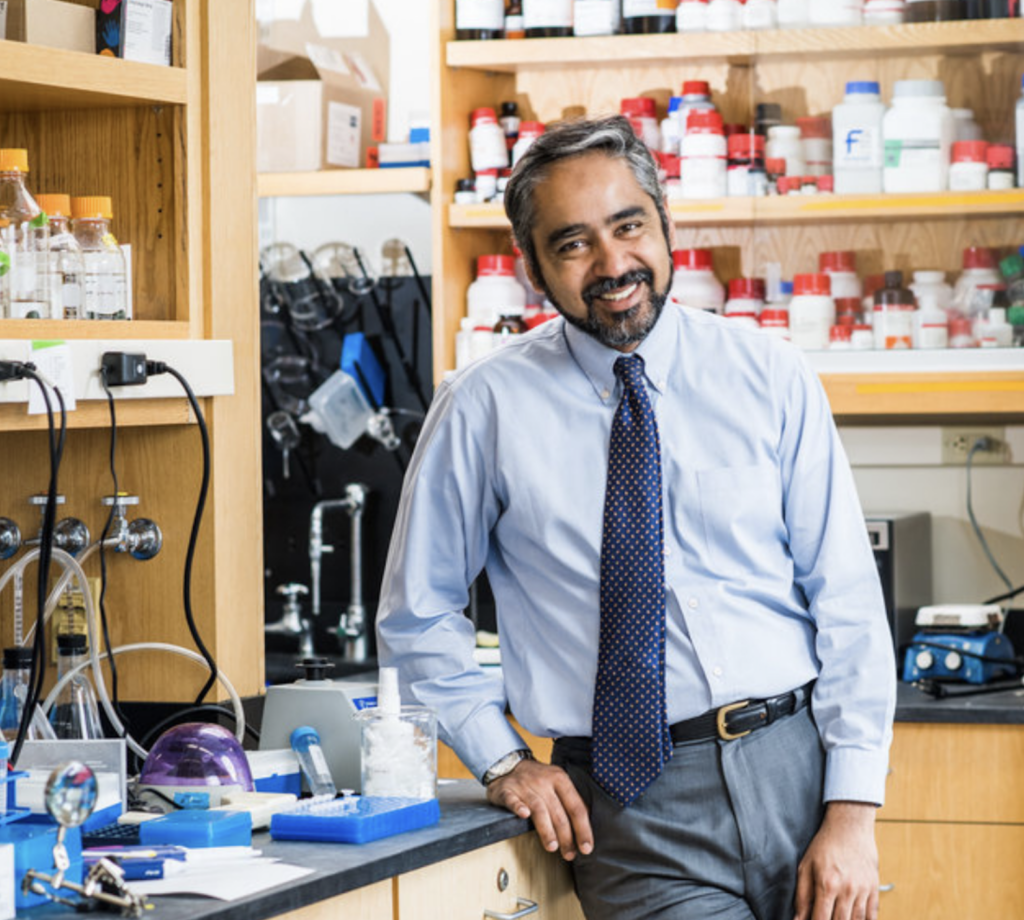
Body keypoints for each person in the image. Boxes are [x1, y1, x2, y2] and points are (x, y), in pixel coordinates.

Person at [376, 114, 896, 920]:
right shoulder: (483, 407)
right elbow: (417, 613)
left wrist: (853, 812)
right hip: (631, 805)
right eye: (574, 243)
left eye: (629, 227)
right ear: (532, 267)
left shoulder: (768, 374)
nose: (613, 264)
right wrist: (500, 758)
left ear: (666, 226)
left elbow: (848, 601)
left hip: (800, 770)